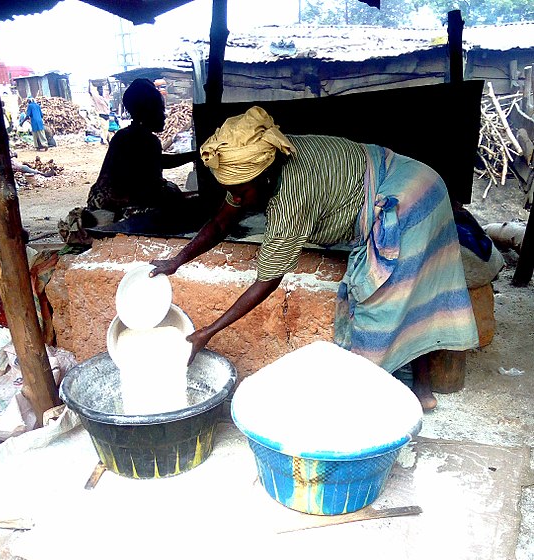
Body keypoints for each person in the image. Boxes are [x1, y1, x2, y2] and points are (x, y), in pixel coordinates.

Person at [148, 106, 479, 411]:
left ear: (264, 176)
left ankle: (374, 397)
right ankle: (421, 389)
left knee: (380, 300)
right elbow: (222, 220)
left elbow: (267, 280)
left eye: (242, 189)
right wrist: (177, 260)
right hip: (413, 176)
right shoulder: (267, 157)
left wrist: (208, 331)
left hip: (407, 198)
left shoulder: (291, 198)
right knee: (413, 289)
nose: (236, 197)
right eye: (231, 188)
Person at [85, 78, 200, 227]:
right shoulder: (148, 141)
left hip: (97, 202)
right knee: (178, 202)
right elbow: (151, 188)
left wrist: (194, 155)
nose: (164, 116)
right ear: (147, 113)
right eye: (160, 110)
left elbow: (159, 161)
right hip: (121, 208)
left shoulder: (122, 135)